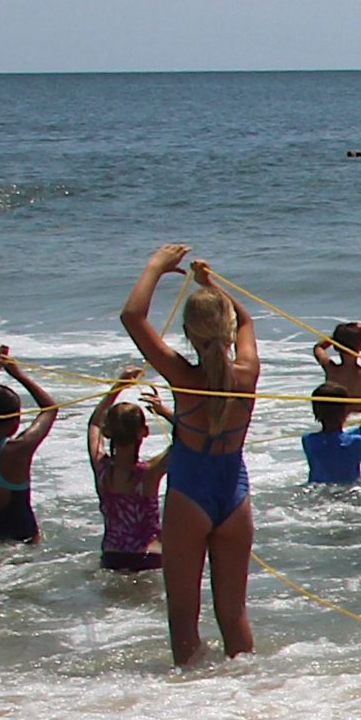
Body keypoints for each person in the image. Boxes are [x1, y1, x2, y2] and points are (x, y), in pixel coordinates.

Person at [122, 244, 262, 662]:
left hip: (190, 495)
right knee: (233, 614)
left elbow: (132, 318)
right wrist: (211, 285)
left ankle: (190, 704)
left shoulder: (183, 375)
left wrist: (156, 266)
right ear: (227, 328)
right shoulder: (249, 372)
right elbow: (247, 320)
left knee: (183, 617)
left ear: (189, 334)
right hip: (235, 496)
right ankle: (250, 694)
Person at [0, 346, 58, 544]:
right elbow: (50, 408)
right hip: (22, 540)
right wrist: (17, 373)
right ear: (13, 419)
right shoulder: (18, 448)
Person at [87, 364, 168, 573]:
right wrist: (163, 410)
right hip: (149, 557)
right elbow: (189, 435)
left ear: (108, 432)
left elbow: (94, 424)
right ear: (145, 432)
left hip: (113, 557)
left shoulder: (102, 468)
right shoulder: (150, 472)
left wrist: (118, 387)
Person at [300, 383, 361, 485]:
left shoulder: (308, 440)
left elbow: (334, 442)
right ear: (345, 411)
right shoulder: (356, 443)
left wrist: (360, 429)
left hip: (317, 492)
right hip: (347, 494)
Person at [313, 322, 361, 403]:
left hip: (336, 415)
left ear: (335, 346)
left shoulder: (331, 369)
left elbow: (318, 348)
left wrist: (336, 338)